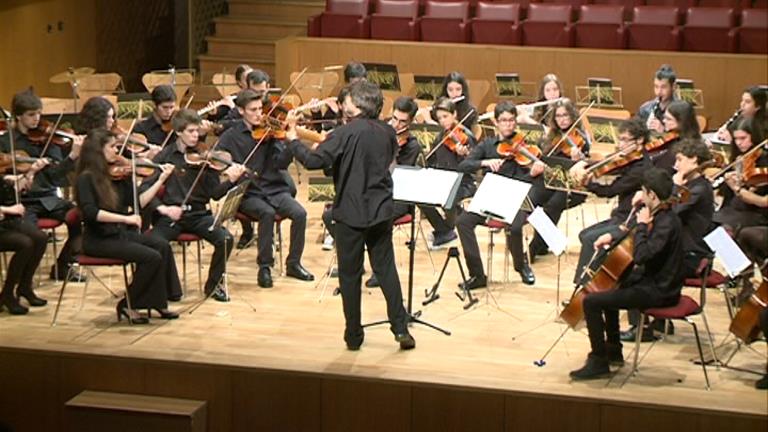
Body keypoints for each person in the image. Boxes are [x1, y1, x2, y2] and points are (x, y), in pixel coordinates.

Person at [285, 80, 415, 351]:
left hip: (351, 214)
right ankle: (401, 328)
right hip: (381, 211)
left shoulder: (343, 133)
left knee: (350, 275)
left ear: (357, 104)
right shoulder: (388, 132)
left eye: (347, 102)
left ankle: (354, 336)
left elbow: (314, 162)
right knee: (386, 270)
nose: (343, 105)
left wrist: (293, 141)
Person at [570, 168, 683, 380]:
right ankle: (613, 350)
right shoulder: (662, 215)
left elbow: (641, 255)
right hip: (654, 282)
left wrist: (640, 225)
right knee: (613, 286)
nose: (639, 194)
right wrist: (613, 238)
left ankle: (598, 360)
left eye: (643, 190)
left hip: (660, 291)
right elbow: (640, 241)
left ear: (652, 195)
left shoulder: (666, 223)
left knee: (592, 302)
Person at [74, 128, 180, 324]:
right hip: (98, 239)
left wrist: (160, 180)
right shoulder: (86, 178)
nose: (118, 151)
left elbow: (139, 202)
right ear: (98, 151)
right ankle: (127, 303)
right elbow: (90, 212)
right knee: (151, 257)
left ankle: (156, 302)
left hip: (118, 234)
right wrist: (125, 219)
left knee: (161, 245)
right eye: (113, 147)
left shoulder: (118, 176)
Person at [142, 109, 247, 302]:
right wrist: (163, 209)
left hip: (200, 215)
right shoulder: (165, 156)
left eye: (197, 131)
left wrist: (231, 181)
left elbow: (214, 194)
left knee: (225, 239)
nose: (195, 135)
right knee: (156, 242)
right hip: (172, 216)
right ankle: (170, 289)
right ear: (178, 132)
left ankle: (213, 285)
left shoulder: (205, 156)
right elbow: (145, 189)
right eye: (190, 131)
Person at [321, 96, 422, 287]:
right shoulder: (380, 130)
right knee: (331, 216)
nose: (397, 124)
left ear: (411, 122)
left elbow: (398, 176)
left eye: (403, 121)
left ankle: (380, 269)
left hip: (397, 197)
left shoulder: (411, 145)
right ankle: (354, 260)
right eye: (394, 118)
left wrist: (391, 153)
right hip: (373, 190)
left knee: (380, 218)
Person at [219, 89, 314, 288]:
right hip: (248, 192)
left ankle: (293, 263)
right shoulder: (230, 136)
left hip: (275, 189)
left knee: (300, 213)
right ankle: (264, 266)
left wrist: (288, 143)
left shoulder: (271, 133)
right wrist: (232, 169)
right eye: (253, 110)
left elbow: (280, 164)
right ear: (241, 111)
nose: (259, 114)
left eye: (260, 109)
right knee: (267, 213)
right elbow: (218, 160)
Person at [622, 139, 715, 342]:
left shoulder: (698, 189)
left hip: (691, 256)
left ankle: (642, 328)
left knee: (636, 268)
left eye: (680, 160)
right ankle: (659, 322)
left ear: (695, 161)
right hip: (678, 249)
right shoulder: (690, 186)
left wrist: (672, 186)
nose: (676, 165)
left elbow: (670, 211)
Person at [0, 89, 85, 284]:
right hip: (22, 201)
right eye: (31, 115)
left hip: (48, 199)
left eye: (39, 113)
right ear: (18, 116)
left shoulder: (48, 139)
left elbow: (55, 176)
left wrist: (72, 156)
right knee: (33, 239)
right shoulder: (5, 143)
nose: (37, 119)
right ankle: (23, 282)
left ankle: (63, 265)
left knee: (81, 216)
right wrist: (26, 171)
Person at [456, 101, 540, 288]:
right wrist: (485, 163)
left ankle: (521, 266)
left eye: (511, 120)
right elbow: (463, 165)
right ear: (496, 122)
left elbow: (532, 179)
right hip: (491, 197)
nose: (508, 124)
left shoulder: (525, 146)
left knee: (516, 227)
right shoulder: (487, 145)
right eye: (504, 121)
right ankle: (477, 275)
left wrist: (532, 173)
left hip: (515, 198)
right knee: (462, 222)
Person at [571, 119, 652, 287]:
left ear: (639, 141)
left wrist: (587, 184)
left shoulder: (641, 168)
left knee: (589, 239)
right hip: (620, 216)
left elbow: (609, 191)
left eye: (625, 140)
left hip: (629, 222)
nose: (620, 144)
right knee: (584, 235)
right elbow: (611, 165)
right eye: (619, 139)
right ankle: (598, 279)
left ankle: (584, 287)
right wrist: (586, 163)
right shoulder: (631, 160)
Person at [528, 98, 590, 261]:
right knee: (531, 199)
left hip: (572, 185)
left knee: (553, 205)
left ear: (572, 116)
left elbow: (586, 166)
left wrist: (579, 158)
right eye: (558, 116)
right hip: (550, 179)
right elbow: (541, 158)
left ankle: (534, 247)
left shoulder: (581, 139)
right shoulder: (550, 137)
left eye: (565, 115)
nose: (562, 119)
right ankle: (545, 242)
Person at [419, 97, 477, 249]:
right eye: (439, 118)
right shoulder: (441, 136)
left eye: (446, 116)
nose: (443, 121)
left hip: (464, 183)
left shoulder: (466, 136)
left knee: (448, 195)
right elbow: (432, 161)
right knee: (420, 197)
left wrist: (463, 155)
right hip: (444, 181)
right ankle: (444, 230)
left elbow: (473, 166)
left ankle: (446, 230)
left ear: (454, 114)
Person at [0, 164, 49, 314]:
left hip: (5, 221)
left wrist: (25, 176)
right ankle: (7, 294)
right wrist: (7, 209)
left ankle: (25, 286)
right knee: (25, 244)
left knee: (40, 238)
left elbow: (9, 193)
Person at [637, 64, 679, 135]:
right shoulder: (645, 109)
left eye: (663, 87)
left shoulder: (682, 112)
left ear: (673, 87)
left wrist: (663, 132)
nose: (659, 92)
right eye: (656, 87)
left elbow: (686, 140)